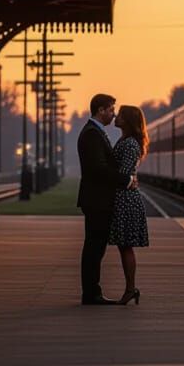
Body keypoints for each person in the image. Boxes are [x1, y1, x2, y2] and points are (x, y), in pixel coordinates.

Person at [76, 93, 135, 305]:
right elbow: (99, 169)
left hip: (96, 199)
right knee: (94, 248)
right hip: (97, 200)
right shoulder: (93, 134)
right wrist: (126, 180)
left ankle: (92, 291)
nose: (113, 114)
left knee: (95, 247)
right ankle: (91, 293)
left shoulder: (94, 132)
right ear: (100, 110)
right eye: (110, 110)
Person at [108, 105, 150, 305]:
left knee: (126, 246)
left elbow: (123, 173)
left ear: (128, 120)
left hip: (126, 199)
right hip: (125, 197)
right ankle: (130, 288)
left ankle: (131, 288)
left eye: (121, 115)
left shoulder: (130, 143)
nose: (117, 116)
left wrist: (119, 178)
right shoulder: (127, 141)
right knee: (124, 246)